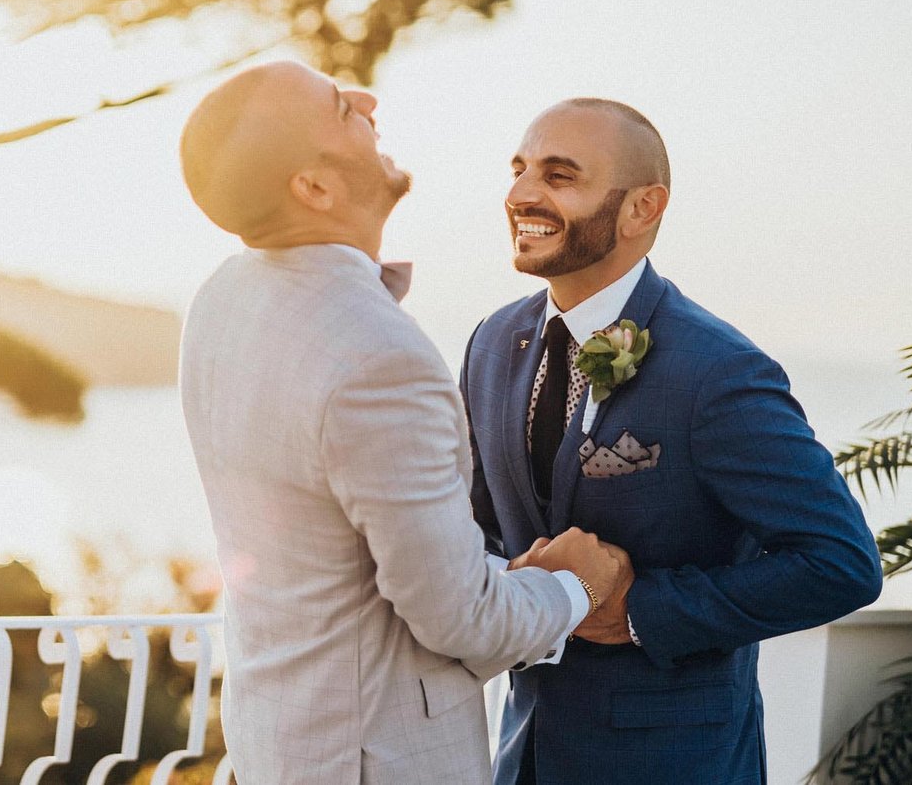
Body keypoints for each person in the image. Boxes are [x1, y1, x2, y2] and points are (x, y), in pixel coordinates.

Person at [177, 61, 627, 785]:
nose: (366, 99)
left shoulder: (223, 298)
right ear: (315, 188)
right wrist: (578, 586)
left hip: (274, 745)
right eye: (339, 107)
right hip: (371, 760)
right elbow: (458, 620)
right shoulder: (378, 359)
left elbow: (335, 551)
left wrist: (482, 569)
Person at [463, 98, 883, 784]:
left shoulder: (715, 369)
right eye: (519, 169)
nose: (520, 194)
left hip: (674, 762)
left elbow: (840, 564)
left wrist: (639, 609)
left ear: (642, 208)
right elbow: (477, 526)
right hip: (524, 754)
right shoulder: (491, 342)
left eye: (560, 175)